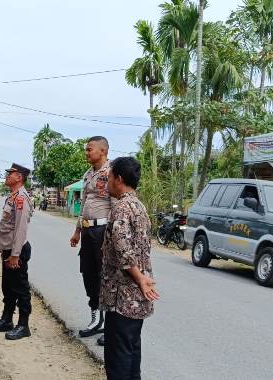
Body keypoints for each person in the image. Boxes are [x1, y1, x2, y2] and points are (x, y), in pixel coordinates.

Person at [101, 157, 159, 379]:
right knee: (132, 353)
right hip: (137, 298)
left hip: (122, 298)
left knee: (118, 360)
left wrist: (138, 277)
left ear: (119, 179)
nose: (107, 184)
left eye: (108, 178)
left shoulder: (122, 208)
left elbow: (123, 247)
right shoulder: (139, 206)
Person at [69, 136, 112, 343]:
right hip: (87, 232)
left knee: (105, 276)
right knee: (88, 274)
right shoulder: (88, 175)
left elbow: (115, 205)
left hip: (103, 231)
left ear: (102, 151)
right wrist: (77, 231)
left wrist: (110, 236)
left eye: (89, 149)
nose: (86, 152)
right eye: (86, 149)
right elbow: (84, 205)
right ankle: (96, 318)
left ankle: (109, 325)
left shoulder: (112, 173)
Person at [0, 163, 34, 340]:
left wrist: (15, 255)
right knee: (7, 287)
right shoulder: (12, 196)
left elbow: (21, 229)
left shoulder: (21, 198)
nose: (7, 176)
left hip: (17, 251)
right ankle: (6, 320)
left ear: (19, 177)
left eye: (10, 173)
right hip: (9, 250)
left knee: (20, 289)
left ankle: (23, 325)